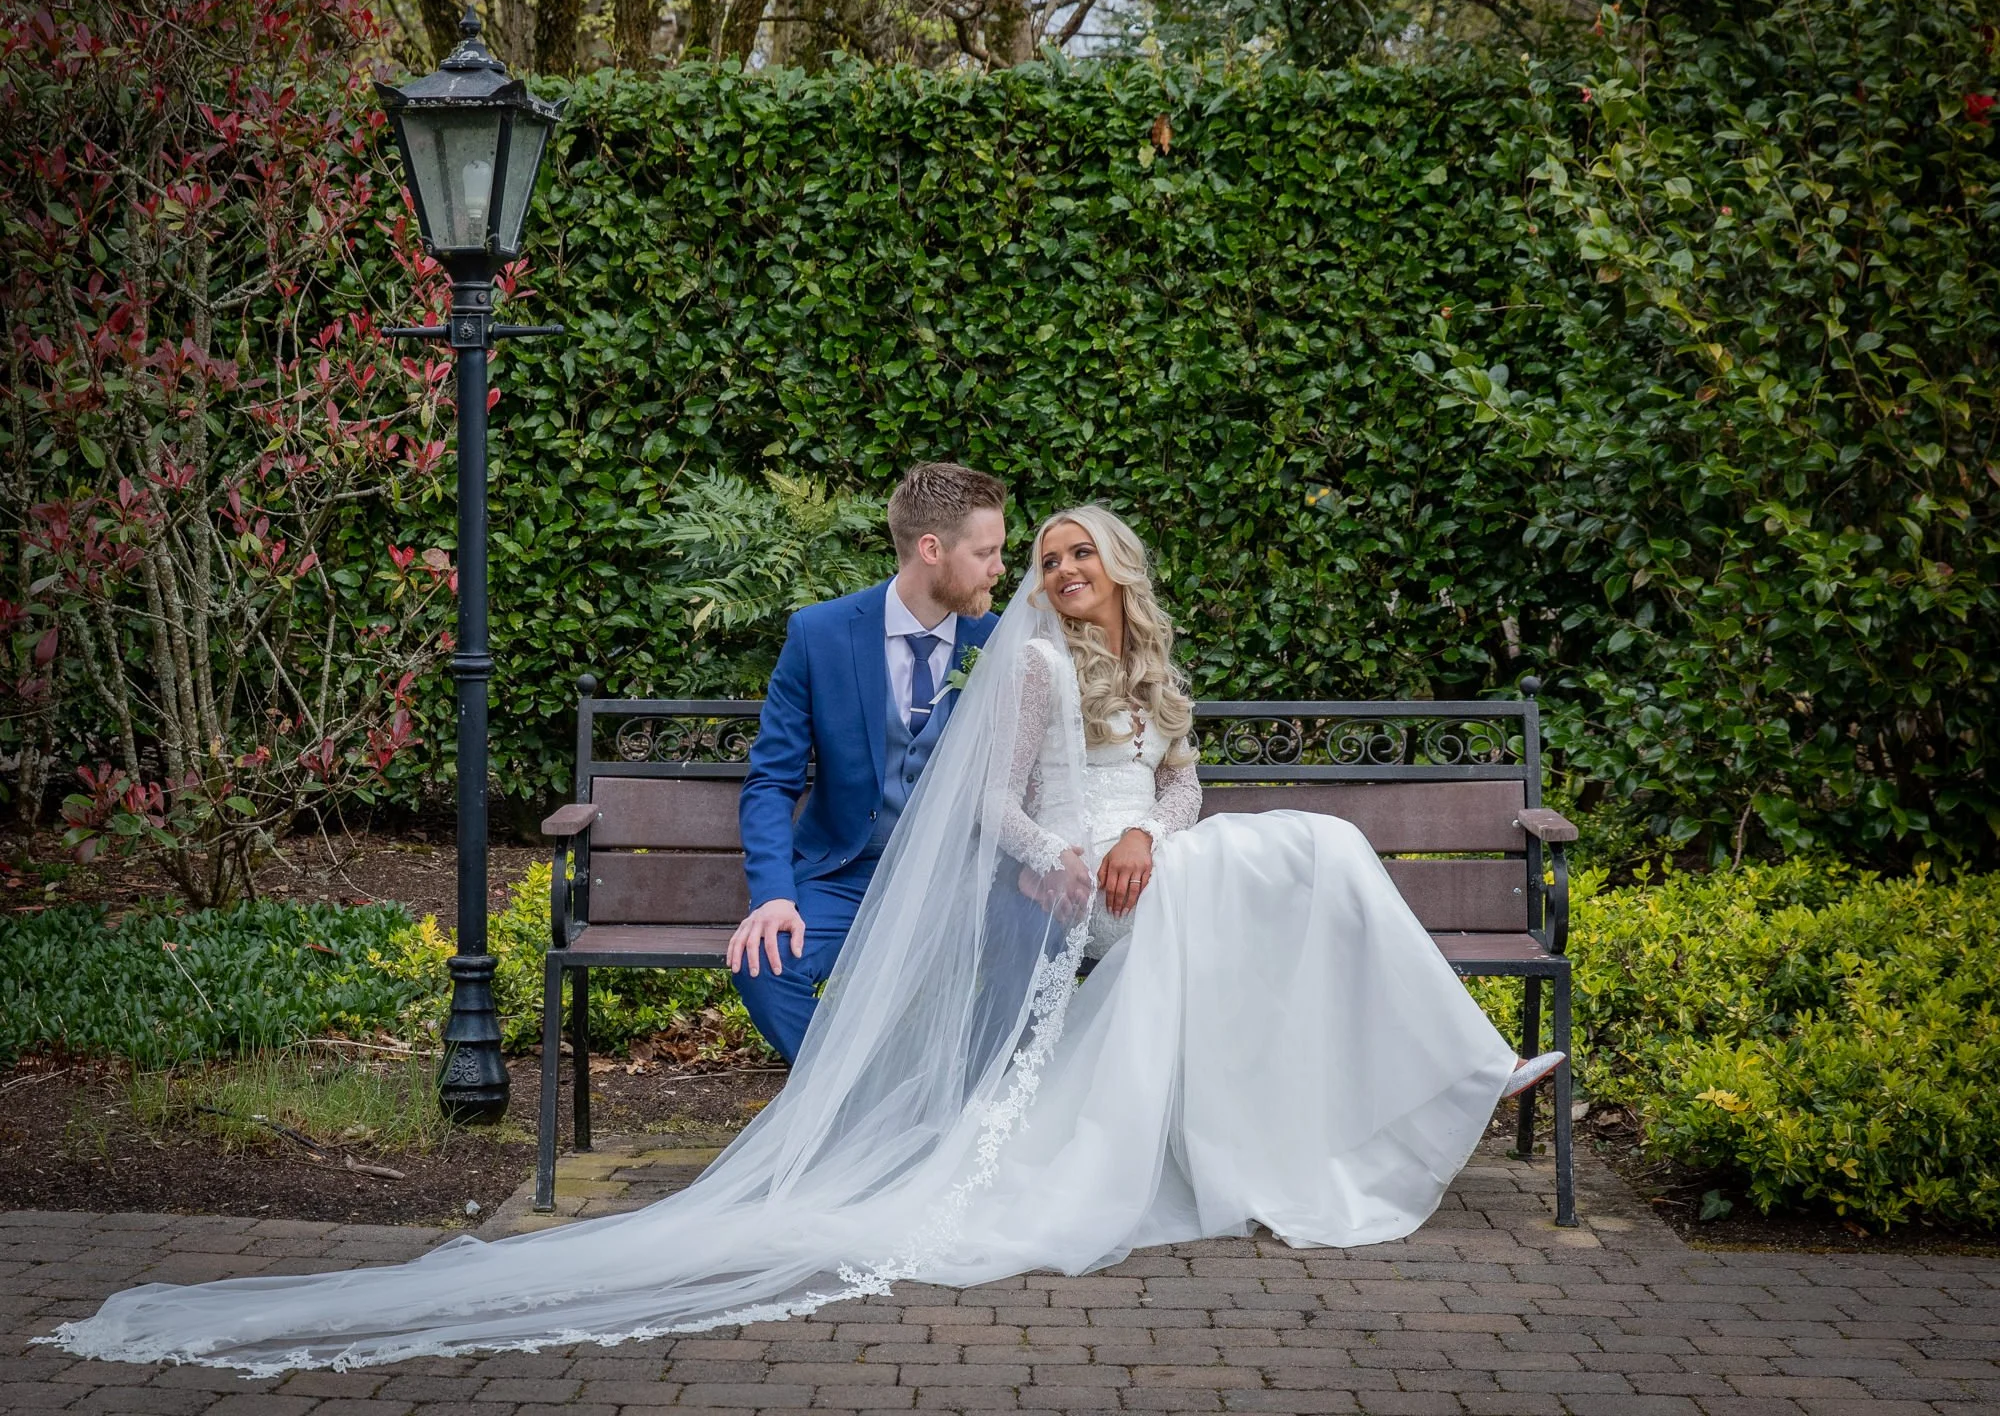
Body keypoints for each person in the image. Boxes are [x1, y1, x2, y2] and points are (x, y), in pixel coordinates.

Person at [44, 505, 1563, 1374]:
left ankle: (1410, 1082)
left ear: (1121, 569)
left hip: (1148, 863)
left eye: (1074, 558)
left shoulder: (1148, 665)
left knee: (1316, 852)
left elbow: (1175, 779)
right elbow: (990, 814)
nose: (1056, 577)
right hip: (1059, 885)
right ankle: (1342, 1102)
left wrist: (1150, 835)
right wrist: (1062, 868)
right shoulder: (1017, 674)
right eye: (1037, 561)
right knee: (1290, 873)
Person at [727, 461, 1007, 1063]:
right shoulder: (819, 635)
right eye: (986, 552)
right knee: (764, 964)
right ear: (932, 549)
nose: (1000, 569)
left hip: (958, 878)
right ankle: (856, 1114)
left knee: (1034, 958)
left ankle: (959, 1122)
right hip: (846, 874)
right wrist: (774, 895)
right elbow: (771, 782)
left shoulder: (1000, 642)